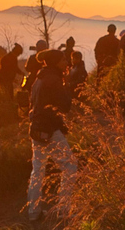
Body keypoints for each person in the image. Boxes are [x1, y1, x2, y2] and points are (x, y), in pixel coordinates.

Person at [27, 49, 77, 222]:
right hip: (50, 130)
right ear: (56, 61)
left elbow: (32, 104)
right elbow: (65, 106)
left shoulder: (39, 78)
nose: (66, 61)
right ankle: (64, 210)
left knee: (38, 171)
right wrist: (68, 85)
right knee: (70, 166)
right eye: (63, 59)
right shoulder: (54, 80)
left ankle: (33, 212)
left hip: (36, 129)